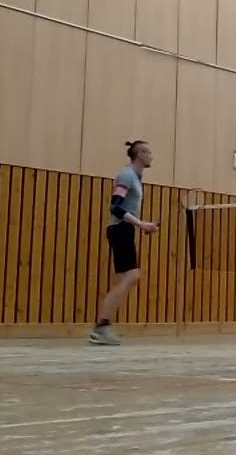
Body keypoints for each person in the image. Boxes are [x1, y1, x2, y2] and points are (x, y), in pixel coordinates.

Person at [90, 141, 159, 346]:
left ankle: (102, 326)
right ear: (140, 154)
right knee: (133, 275)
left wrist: (141, 224)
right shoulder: (127, 176)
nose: (151, 156)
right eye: (149, 152)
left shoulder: (135, 178)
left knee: (123, 279)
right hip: (120, 230)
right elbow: (115, 207)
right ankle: (102, 326)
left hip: (124, 230)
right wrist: (140, 224)